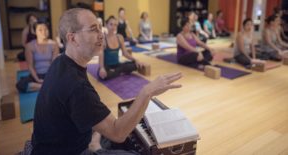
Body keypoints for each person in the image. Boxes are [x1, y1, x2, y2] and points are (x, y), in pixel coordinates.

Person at [29, 8, 182, 155]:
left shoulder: (61, 61)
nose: (101, 34)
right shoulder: (75, 85)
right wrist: (147, 92)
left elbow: (82, 110)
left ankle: (95, 144)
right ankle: (95, 147)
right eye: (93, 29)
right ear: (72, 38)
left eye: (100, 28)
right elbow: (118, 132)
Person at [16, 21, 59, 93]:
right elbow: (30, 66)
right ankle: (45, 86)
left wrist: (50, 78)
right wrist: (37, 79)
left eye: (46, 29)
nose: (44, 32)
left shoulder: (54, 44)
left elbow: (54, 65)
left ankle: (43, 86)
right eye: (40, 30)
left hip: (50, 74)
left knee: (67, 81)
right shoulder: (29, 46)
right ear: (35, 32)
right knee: (21, 85)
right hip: (37, 75)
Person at [98, 16, 144, 80]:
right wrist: (102, 68)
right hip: (107, 67)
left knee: (135, 65)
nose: (113, 27)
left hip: (117, 65)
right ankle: (117, 72)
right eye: (111, 24)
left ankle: (116, 71)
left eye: (115, 25)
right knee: (103, 75)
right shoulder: (103, 39)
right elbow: (101, 54)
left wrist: (136, 60)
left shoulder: (120, 37)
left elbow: (125, 53)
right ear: (106, 25)